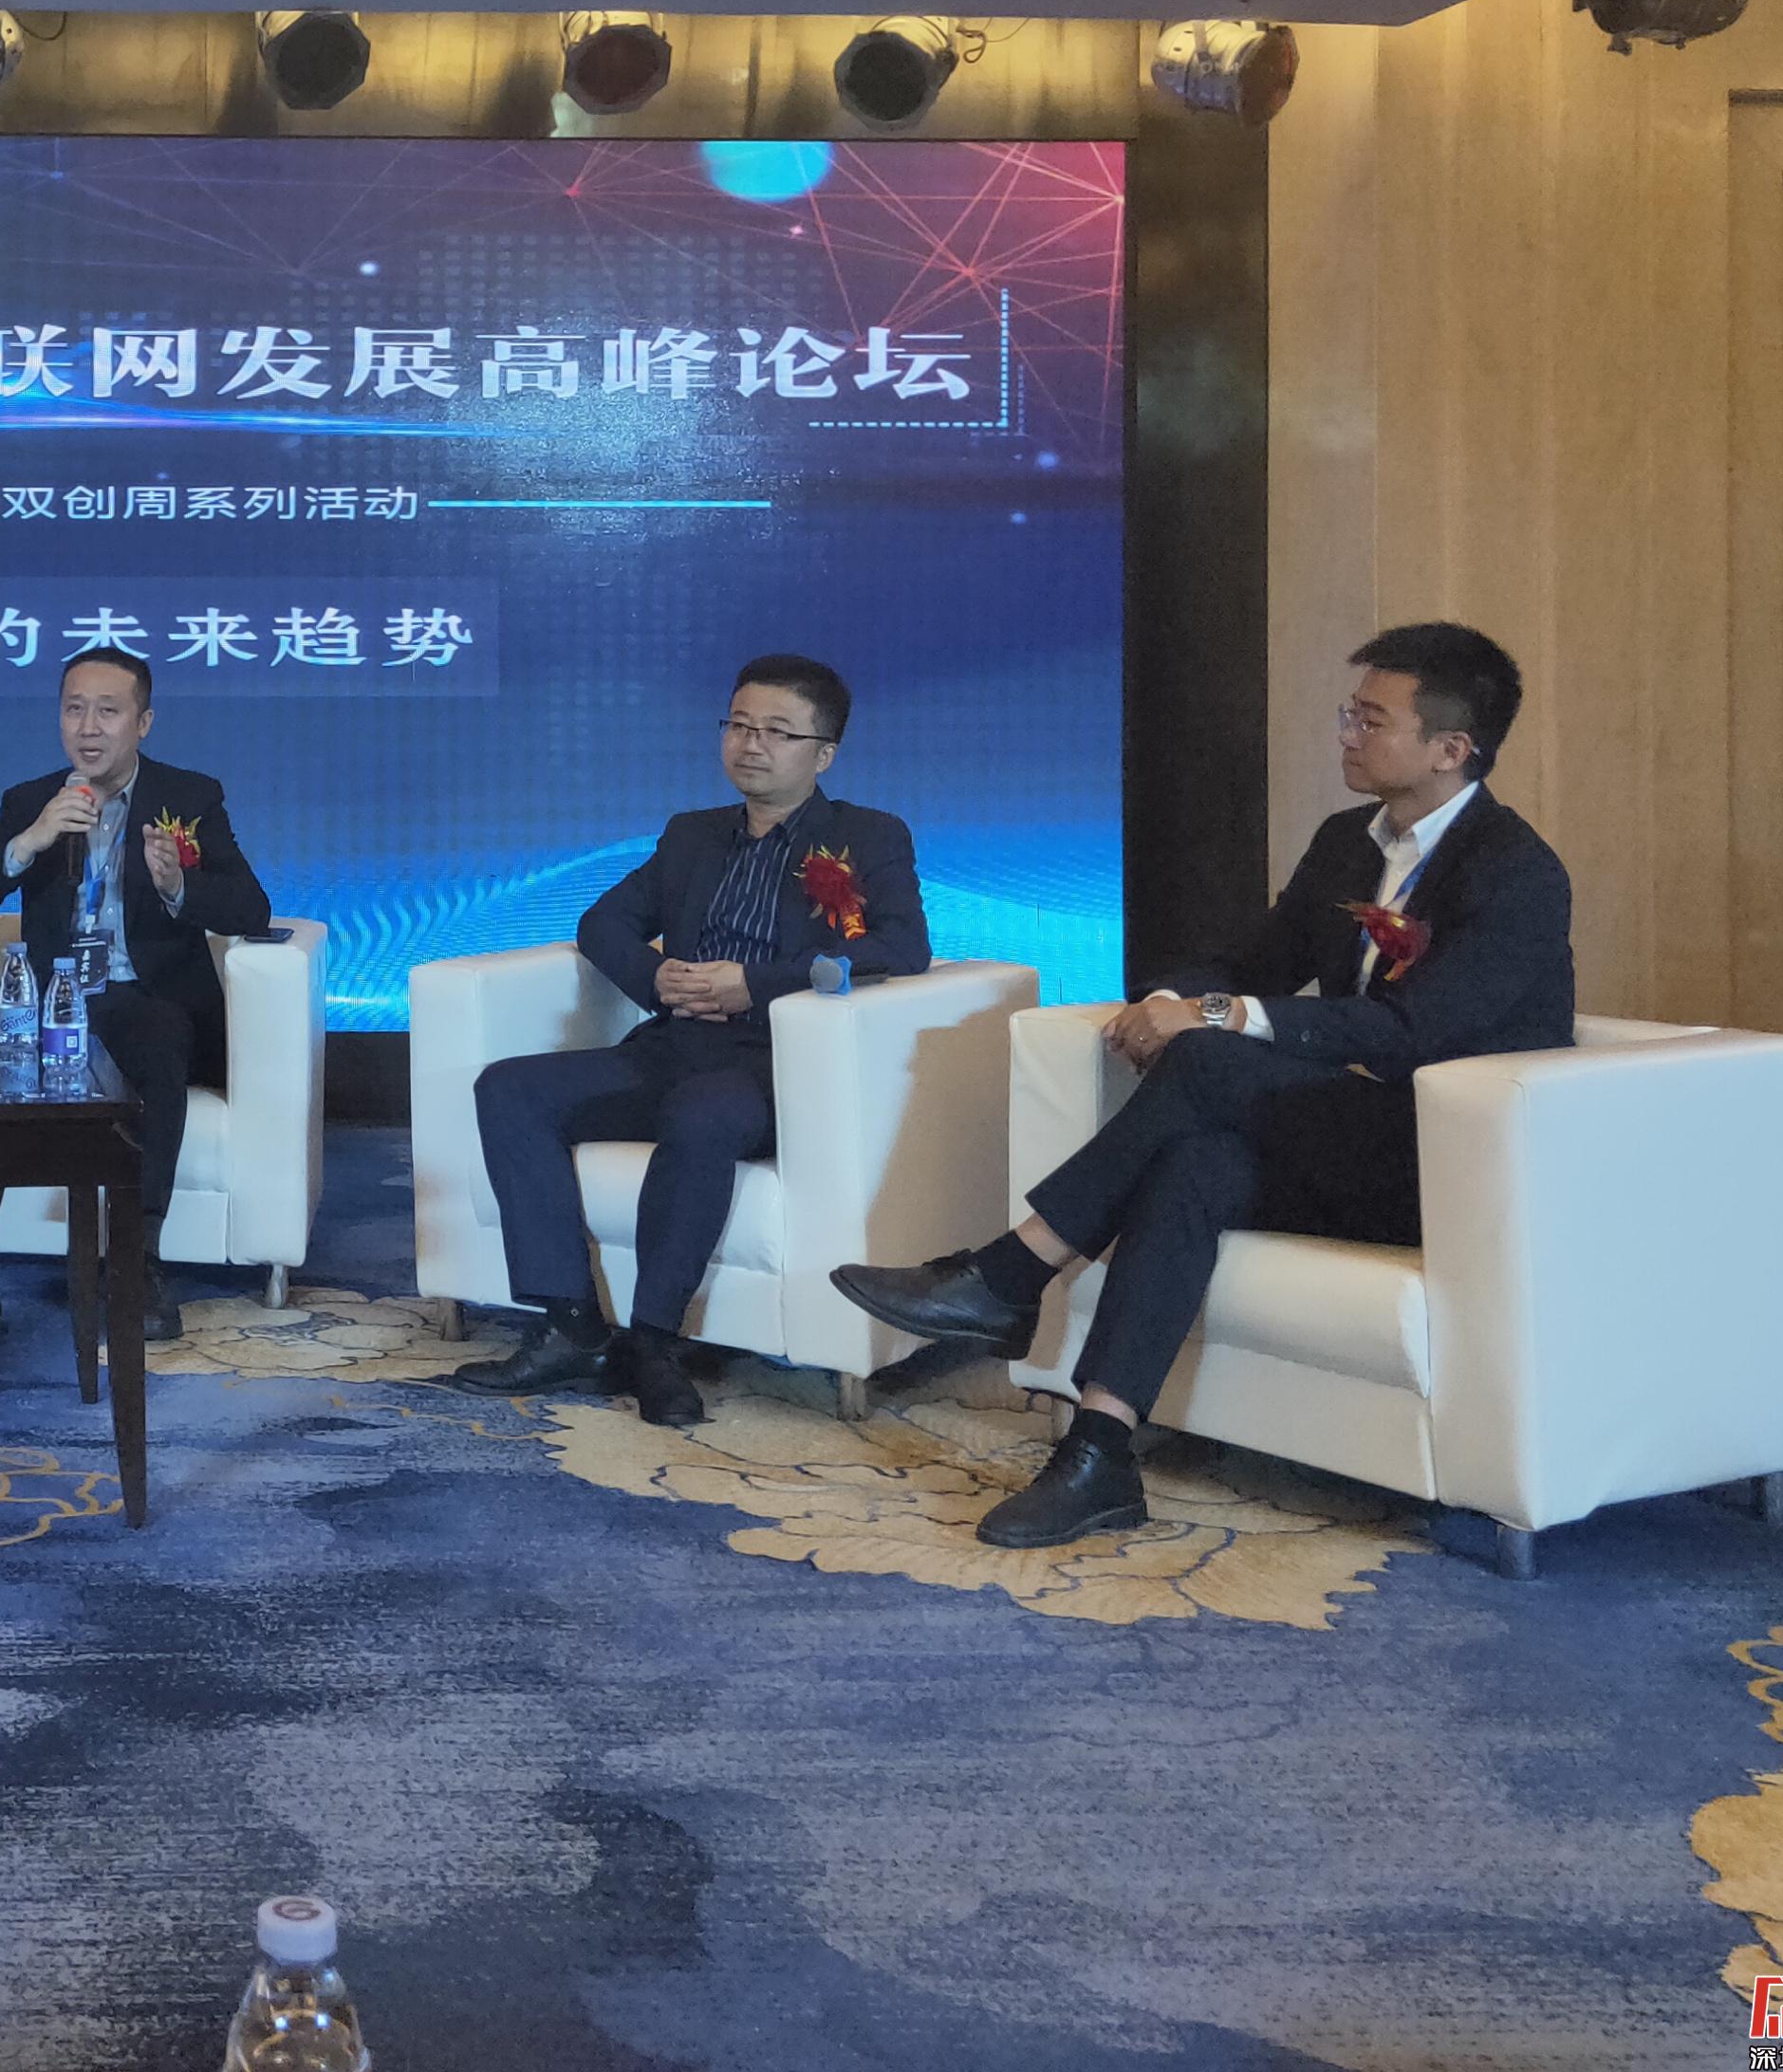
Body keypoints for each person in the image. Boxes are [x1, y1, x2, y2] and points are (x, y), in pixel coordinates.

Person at [832, 620, 1572, 1547]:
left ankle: (1014, 1270)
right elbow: (1256, 959)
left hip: (1448, 1166)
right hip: (1337, 1137)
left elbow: (1407, 1032)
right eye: (1348, 713)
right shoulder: (1348, 843)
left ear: (1450, 748)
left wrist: (1215, 1017)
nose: (1345, 733)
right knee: (1197, 1164)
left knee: (1210, 1056)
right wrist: (1169, 998)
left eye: (1371, 720)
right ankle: (1098, 1452)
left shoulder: (1515, 873)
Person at [452, 654, 930, 1422]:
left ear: (823, 754)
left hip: (775, 1060)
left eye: (776, 731)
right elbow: (602, 923)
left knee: (702, 1114)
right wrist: (657, 978)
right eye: (738, 725)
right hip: (673, 1047)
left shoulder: (867, 836)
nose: (750, 744)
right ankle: (572, 1326)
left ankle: (653, 1341)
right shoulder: (691, 835)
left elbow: (902, 948)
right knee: (510, 1088)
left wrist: (757, 982)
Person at [0, 644, 272, 1357]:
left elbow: (251, 908)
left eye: (108, 711)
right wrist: (28, 842)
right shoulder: (31, 800)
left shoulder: (190, 799)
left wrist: (177, 886)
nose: (88, 728)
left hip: (146, 999)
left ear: (143, 722)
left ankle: (135, 1262)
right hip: (51, 1002)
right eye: (74, 710)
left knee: (156, 1037)